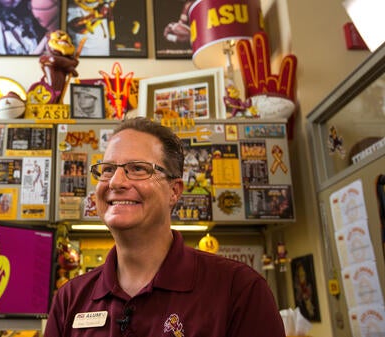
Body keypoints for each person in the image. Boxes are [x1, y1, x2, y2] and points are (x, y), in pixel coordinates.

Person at [44, 117, 285, 337]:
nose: (116, 182)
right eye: (107, 170)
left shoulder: (239, 290)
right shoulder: (69, 299)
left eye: (138, 168)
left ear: (174, 191)